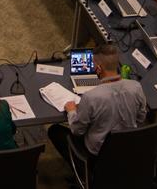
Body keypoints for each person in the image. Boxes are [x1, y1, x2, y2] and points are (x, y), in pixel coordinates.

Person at [47, 44, 147, 180]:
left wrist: (71, 111)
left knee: (55, 131)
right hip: (127, 148)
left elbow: (77, 130)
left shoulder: (91, 97)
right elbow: (141, 118)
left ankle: (86, 172)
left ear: (98, 68)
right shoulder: (136, 87)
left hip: (97, 153)